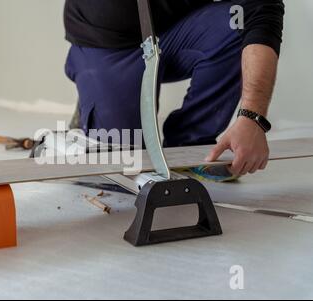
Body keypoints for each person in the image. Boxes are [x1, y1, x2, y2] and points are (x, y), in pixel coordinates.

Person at [64, 0, 285, 182]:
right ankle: (91, 95)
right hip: (107, 41)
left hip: (174, 30)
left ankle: (190, 141)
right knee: (127, 165)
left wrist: (252, 118)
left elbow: (263, 14)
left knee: (239, 22)